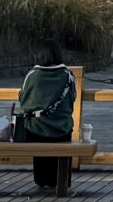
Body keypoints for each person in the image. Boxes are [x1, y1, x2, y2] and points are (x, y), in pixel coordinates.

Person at [12, 41, 77, 191]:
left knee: (41, 171)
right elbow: (72, 99)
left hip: (36, 129)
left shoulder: (32, 76)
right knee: (61, 144)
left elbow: (23, 102)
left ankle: (41, 179)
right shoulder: (67, 75)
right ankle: (59, 179)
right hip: (62, 129)